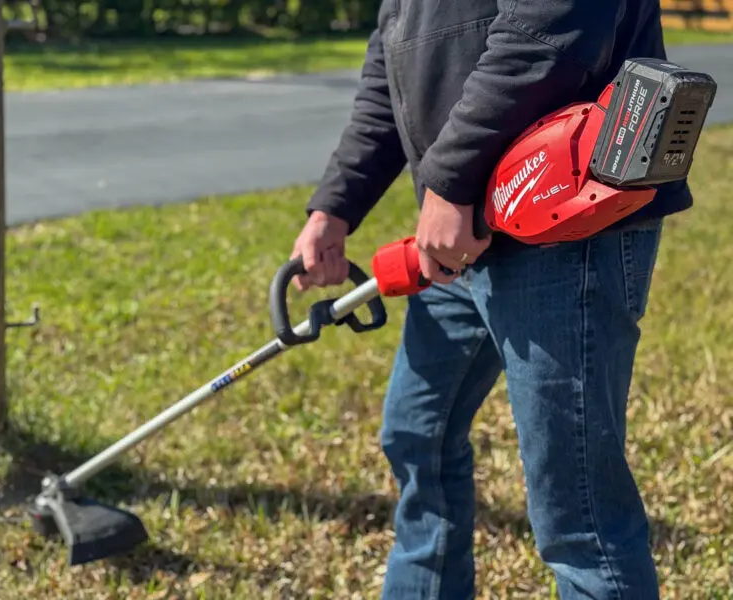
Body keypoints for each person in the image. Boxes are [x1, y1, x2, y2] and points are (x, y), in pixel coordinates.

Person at [289, 1, 688, 598]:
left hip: (564, 219)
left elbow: (553, 24)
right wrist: (336, 205)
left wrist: (449, 180)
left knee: (577, 511)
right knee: (418, 433)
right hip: (464, 233)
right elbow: (392, 66)